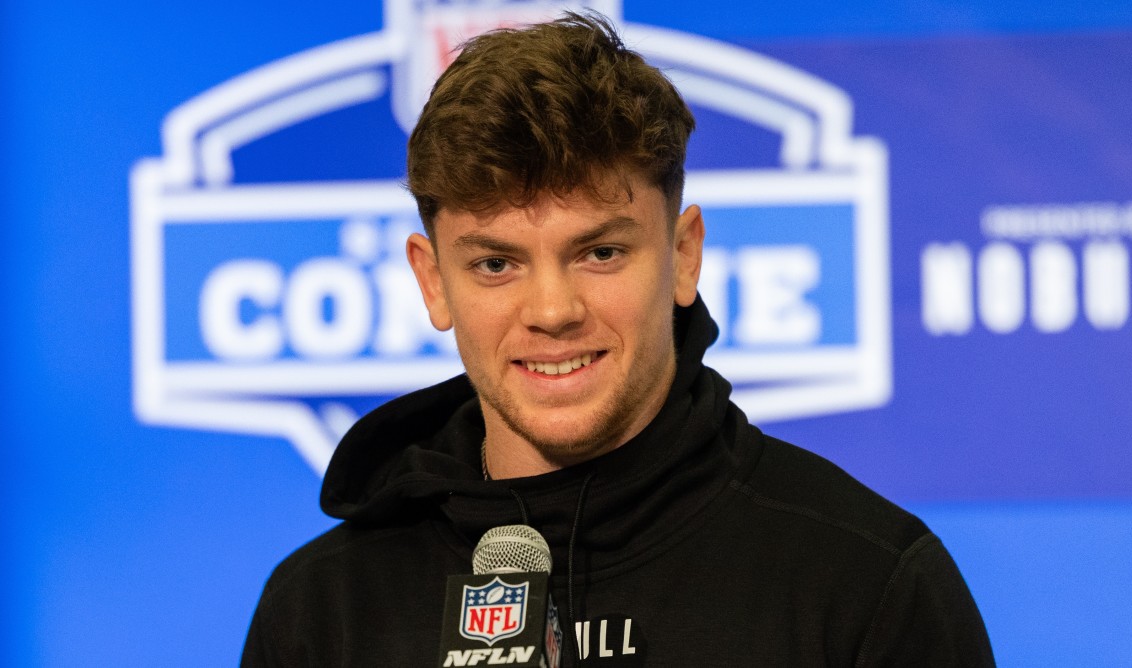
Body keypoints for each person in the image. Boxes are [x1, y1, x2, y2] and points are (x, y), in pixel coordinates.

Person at [241, 12, 994, 666]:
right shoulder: (322, 614)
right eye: (496, 262)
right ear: (433, 280)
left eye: (599, 252)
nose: (553, 310)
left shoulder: (866, 585)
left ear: (683, 254)